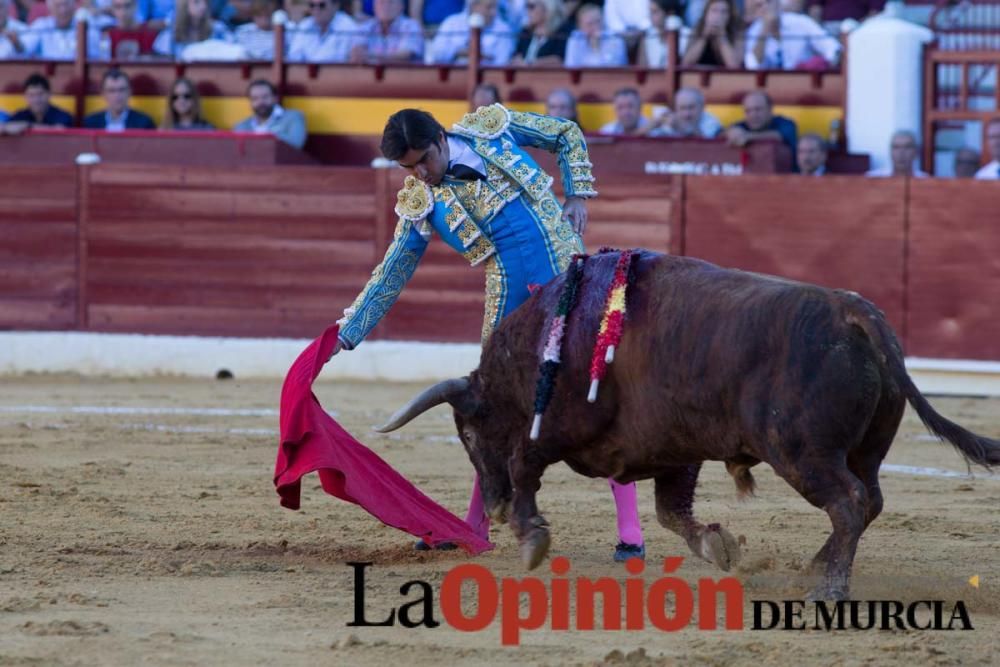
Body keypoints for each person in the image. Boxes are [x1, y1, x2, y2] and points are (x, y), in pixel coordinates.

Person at [330, 104, 647, 562]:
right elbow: (393, 270)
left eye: (424, 160)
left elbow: (565, 133)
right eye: (408, 167)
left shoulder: (491, 130)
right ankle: (474, 525)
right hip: (510, 297)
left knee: (596, 388)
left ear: (441, 138)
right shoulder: (422, 202)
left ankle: (631, 532)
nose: (420, 173)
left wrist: (577, 194)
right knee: (494, 412)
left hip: (568, 272)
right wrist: (348, 331)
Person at [745, 0, 841, 70]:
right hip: (768, 87)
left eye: (769, 2)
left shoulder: (801, 22)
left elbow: (832, 48)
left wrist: (820, 64)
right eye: (760, 6)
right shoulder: (754, 31)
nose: (766, 8)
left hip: (804, 84)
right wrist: (765, 29)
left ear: (778, 3)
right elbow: (752, 65)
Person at [726, 90, 798, 169]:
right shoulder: (742, 125)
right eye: (748, 111)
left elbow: (779, 135)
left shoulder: (786, 124)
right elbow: (730, 131)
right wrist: (732, 132)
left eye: (758, 109)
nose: (753, 115)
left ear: (770, 109)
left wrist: (748, 137)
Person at [429, 0, 515, 65]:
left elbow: (502, 63)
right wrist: (458, 52)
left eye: (495, 7)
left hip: (488, 81)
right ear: (474, 6)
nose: (494, 13)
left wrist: (480, 56)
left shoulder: (503, 29)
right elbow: (437, 54)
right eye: (489, 7)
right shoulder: (451, 23)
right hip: (453, 79)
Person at [234, 79, 307, 149]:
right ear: (250, 102)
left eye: (265, 97)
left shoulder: (293, 117)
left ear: (275, 98)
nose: (260, 102)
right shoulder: (241, 126)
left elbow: (296, 144)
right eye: (255, 98)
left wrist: (267, 136)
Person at [82, 69, 157, 130]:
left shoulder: (144, 123)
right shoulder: (90, 123)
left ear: (130, 92)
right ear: (103, 94)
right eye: (111, 91)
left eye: (122, 90)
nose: (117, 95)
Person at [681, 0, 742, 68]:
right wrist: (704, 37)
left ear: (730, 15)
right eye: (714, 11)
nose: (718, 16)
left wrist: (722, 38)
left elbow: (734, 66)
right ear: (706, 13)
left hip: (725, 78)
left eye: (724, 12)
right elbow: (686, 63)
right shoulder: (697, 30)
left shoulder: (737, 33)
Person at [564, 3, 627, 68]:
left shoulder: (615, 39)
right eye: (590, 24)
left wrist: (596, 49)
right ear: (580, 27)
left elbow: (611, 70)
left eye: (598, 21)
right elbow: (571, 67)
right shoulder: (575, 39)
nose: (596, 27)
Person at [648, 87, 723, 138]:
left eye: (691, 107)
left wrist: (681, 128)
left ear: (702, 107)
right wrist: (654, 125)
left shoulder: (711, 121)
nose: (687, 114)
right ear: (675, 108)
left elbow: (708, 146)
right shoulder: (670, 118)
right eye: (682, 108)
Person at [511, 0, 566, 65]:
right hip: (523, 74)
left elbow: (558, 60)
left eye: (531, 6)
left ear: (547, 9)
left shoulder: (560, 33)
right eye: (526, 6)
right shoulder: (525, 32)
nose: (527, 11)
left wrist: (529, 64)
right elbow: (516, 56)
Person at [8, 73, 74, 128]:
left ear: (49, 94)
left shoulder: (62, 116)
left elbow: (59, 130)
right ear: (25, 97)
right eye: (31, 95)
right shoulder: (19, 116)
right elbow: (5, 128)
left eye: (40, 94)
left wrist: (27, 125)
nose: (36, 100)